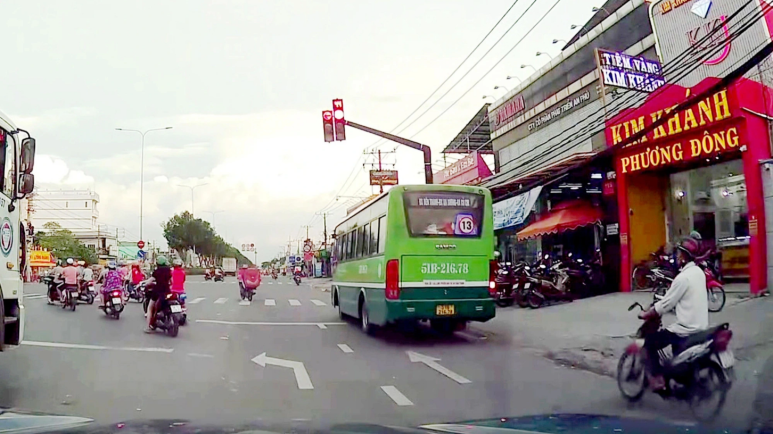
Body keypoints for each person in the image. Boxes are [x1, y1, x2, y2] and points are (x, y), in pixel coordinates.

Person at [637, 237, 709, 391]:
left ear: (683, 256)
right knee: (675, 354)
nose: (677, 256)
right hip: (701, 325)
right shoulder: (699, 272)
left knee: (650, 342)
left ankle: (658, 380)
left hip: (686, 328)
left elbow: (666, 304)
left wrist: (648, 313)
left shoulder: (682, 278)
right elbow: (677, 297)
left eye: (679, 253)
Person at [144, 256, 172, 333]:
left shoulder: (157, 271)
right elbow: (171, 281)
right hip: (167, 291)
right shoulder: (168, 270)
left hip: (157, 292)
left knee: (150, 308)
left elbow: (151, 280)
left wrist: (146, 283)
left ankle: (148, 327)